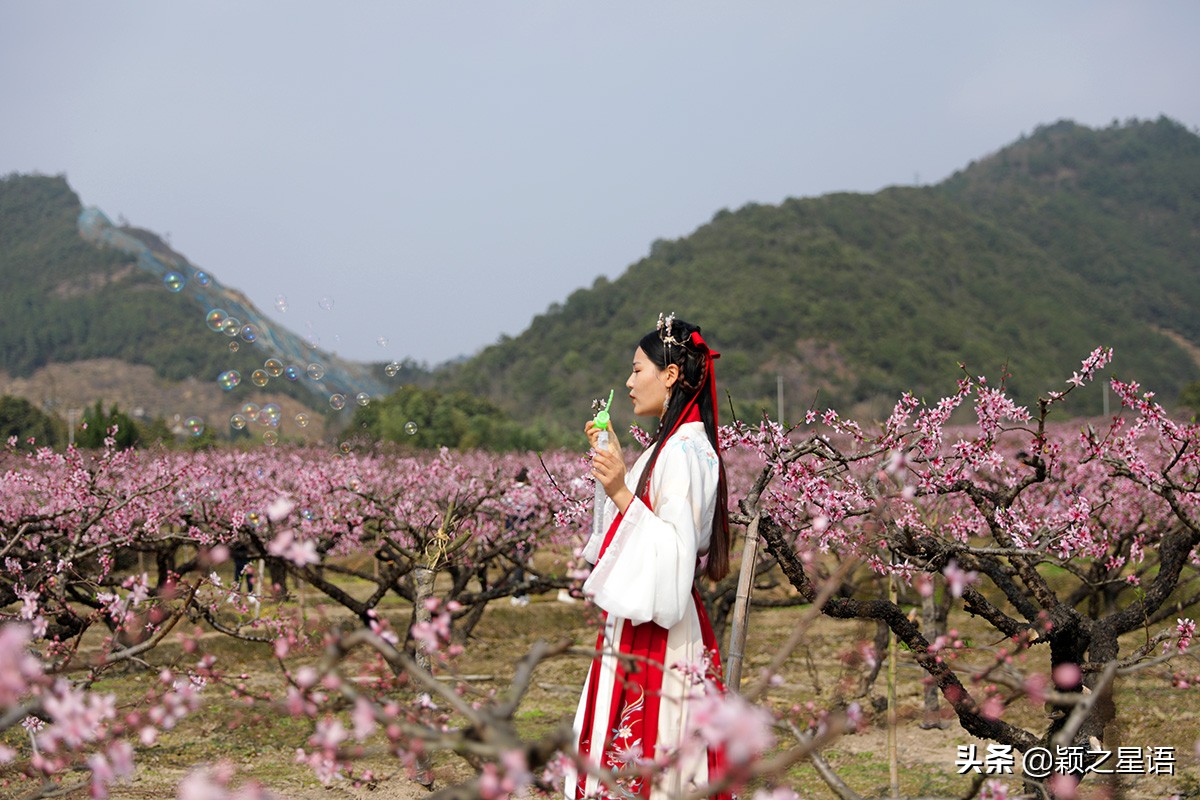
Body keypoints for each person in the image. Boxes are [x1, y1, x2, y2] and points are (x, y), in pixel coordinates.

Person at [565, 314, 732, 800]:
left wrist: (619, 489)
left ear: (671, 375)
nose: (628, 381)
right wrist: (616, 473)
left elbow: (673, 556)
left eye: (638, 370)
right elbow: (640, 533)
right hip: (656, 621)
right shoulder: (676, 446)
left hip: (658, 629)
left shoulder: (681, 452)